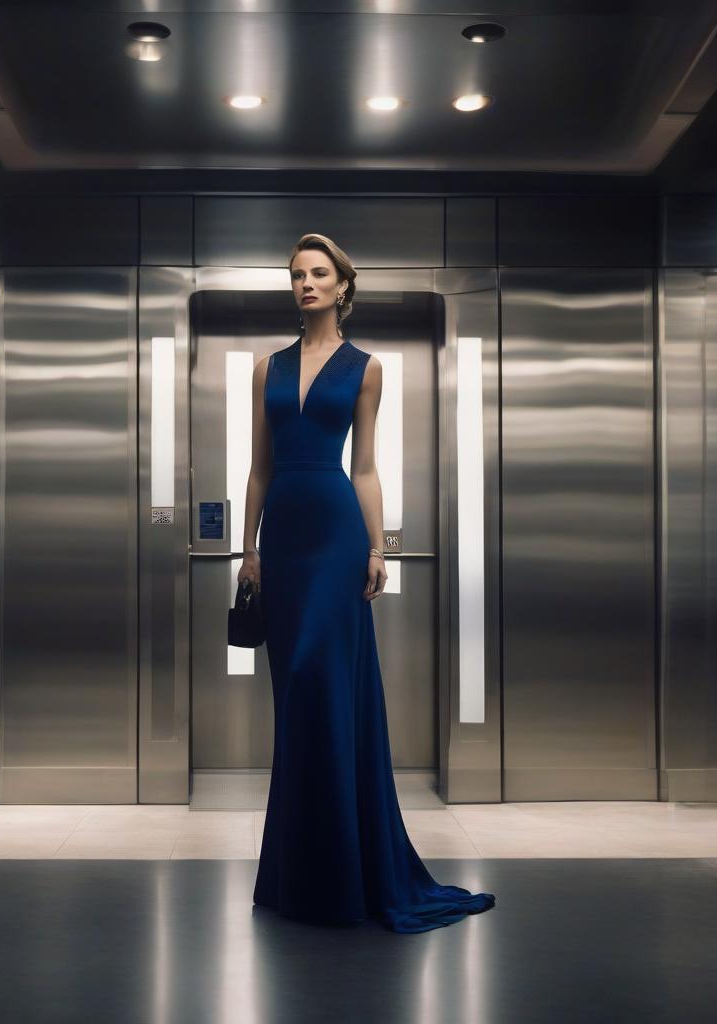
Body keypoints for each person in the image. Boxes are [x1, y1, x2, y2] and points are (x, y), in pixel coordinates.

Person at [238, 232, 496, 933]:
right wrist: (248, 548)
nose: (305, 284)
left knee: (325, 684)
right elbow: (259, 468)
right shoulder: (266, 368)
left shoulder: (368, 367)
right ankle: (301, 872)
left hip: (336, 536)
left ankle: (348, 874)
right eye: (296, 274)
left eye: (318, 274)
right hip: (284, 542)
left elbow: (365, 468)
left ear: (343, 286)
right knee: (294, 693)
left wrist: (378, 547)